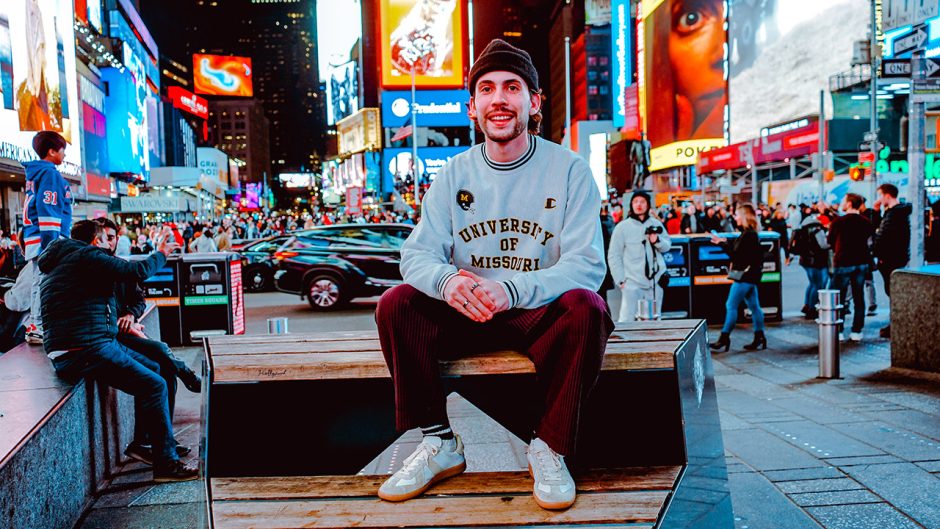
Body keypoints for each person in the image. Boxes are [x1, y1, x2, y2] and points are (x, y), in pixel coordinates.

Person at [374, 39, 612, 511]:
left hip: (534, 313)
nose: (499, 99)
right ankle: (440, 442)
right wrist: (449, 283)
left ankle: (548, 445)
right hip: (467, 313)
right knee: (396, 303)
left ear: (534, 100)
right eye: (486, 89)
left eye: (512, 87)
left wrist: (512, 290)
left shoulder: (569, 169)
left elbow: (587, 264)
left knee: (588, 307)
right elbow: (415, 254)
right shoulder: (452, 174)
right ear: (472, 107)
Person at [38, 220, 197, 481]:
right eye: (103, 239)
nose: (107, 245)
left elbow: (91, 305)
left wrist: (129, 320)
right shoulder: (87, 255)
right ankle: (166, 466)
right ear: (94, 240)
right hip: (86, 349)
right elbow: (139, 271)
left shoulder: (59, 262)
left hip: (76, 347)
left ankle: (148, 443)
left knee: (155, 368)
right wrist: (162, 253)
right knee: (154, 384)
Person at [22, 131, 73, 345]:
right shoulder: (50, 174)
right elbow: (49, 210)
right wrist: (51, 246)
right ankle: (39, 326)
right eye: (62, 150)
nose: (64, 155)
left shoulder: (36, 173)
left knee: (39, 281)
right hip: (48, 238)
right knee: (47, 283)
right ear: (52, 151)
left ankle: (37, 325)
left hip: (36, 237)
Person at [709, 203, 766, 352]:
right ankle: (760, 337)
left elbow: (737, 255)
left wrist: (722, 245)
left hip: (744, 277)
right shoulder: (749, 233)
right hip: (750, 276)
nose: (735, 218)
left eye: (737, 215)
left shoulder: (748, 235)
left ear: (744, 216)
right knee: (754, 306)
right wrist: (723, 242)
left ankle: (724, 338)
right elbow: (739, 250)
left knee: (731, 306)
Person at [608, 190, 672, 321]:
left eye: (642, 202)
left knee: (654, 320)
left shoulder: (656, 224)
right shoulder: (622, 227)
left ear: (648, 205)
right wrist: (621, 280)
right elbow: (614, 255)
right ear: (631, 204)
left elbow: (667, 247)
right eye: (635, 201)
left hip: (655, 282)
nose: (639, 205)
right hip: (631, 282)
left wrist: (657, 241)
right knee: (627, 320)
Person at [827, 194, 874, 342]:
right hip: (861, 262)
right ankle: (857, 330)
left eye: (843, 201)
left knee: (838, 297)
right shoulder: (866, 222)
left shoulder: (838, 222)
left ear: (848, 204)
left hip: (843, 262)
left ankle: (839, 330)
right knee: (858, 297)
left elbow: (830, 241)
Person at [872, 183, 911, 339]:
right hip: (894, 258)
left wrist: (876, 251)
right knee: (892, 292)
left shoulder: (894, 214)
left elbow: (882, 236)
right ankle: (895, 323)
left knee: (893, 293)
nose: (879, 199)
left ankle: (896, 324)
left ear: (887, 195)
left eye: (880, 195)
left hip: (891, 259)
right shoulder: (894, 213)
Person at [789, 209, 830, 320]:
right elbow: (823, 245)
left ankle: (807, 305)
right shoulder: (817, 229)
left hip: (806, 260)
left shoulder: (804, 228)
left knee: (812, 284)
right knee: (818, 285)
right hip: (816, 261)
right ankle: (812, 309)